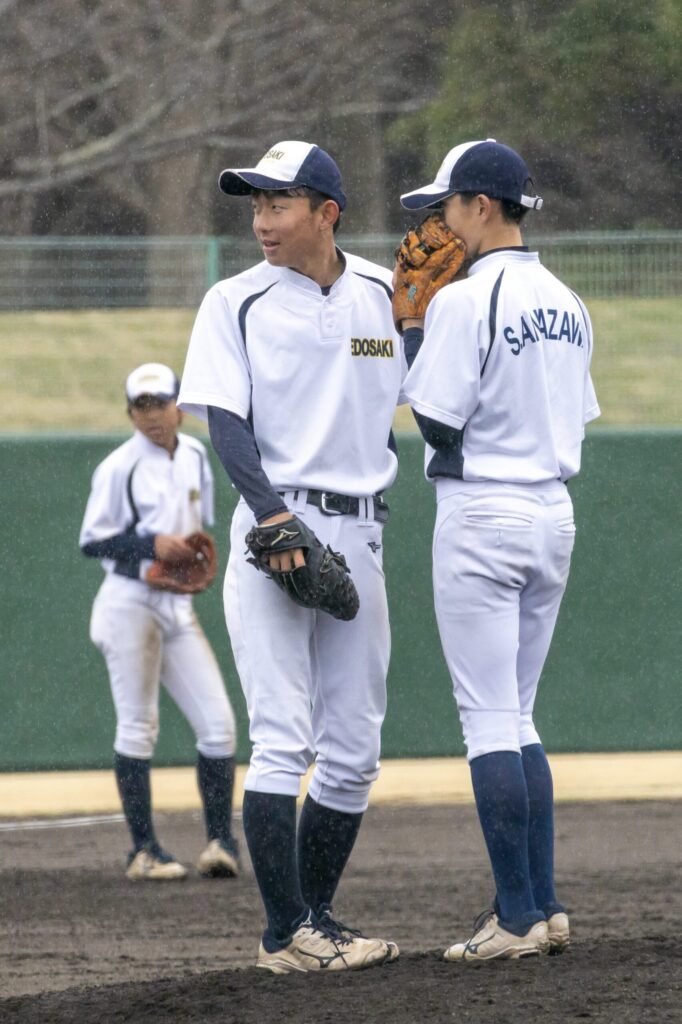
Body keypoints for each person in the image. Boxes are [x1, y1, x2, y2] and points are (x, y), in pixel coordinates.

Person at [178, 141, 404, 973]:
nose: (262, 221)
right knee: (281, 738)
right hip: (275, 526)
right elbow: (225, 422)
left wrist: (434, 313)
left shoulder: (387, 294)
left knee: (354, 749)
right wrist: (273, 515)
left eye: (278, 204)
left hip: (361, 530)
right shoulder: (235, 300)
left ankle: (317, 920)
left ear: (327, 212)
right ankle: (285, 935)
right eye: (256, 206)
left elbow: (429, 397)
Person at [397, 139, 600, 961]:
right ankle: (544, 903)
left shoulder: (463, 301)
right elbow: (576, 413)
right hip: (553, 513)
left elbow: (437, 420)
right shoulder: (569, 300)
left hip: (483, 509)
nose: (437, 225)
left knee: (487, 719)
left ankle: (515, 916)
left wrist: (413, 327)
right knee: (518, 714)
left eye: (446, 206)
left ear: (482, 205)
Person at [79, 362, 240, 882]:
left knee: (219, 726)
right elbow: (92, 541)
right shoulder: (119, 467)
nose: (152, 415)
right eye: (141, 406)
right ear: (130, 414)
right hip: (128, 606)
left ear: (180, 407)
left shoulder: (194, 455)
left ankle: (220, 843)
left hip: (175, 609)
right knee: (139, 725)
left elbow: (196, 531)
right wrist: (152, 545)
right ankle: (143, 851)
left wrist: (185, 558)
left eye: (160, 403)